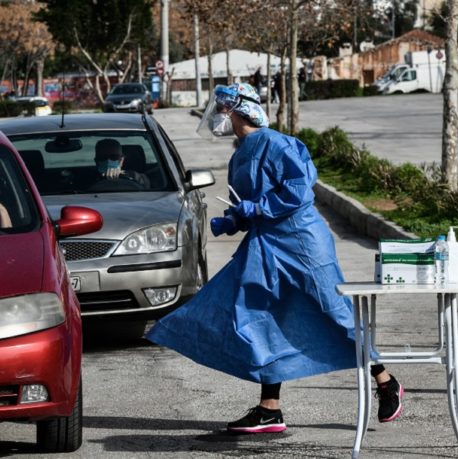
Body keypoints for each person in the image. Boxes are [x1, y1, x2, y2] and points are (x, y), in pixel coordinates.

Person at [147, 83, 403, 434]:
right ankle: (270, 408)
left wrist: (257, 208)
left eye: (224, 109)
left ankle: (386, 380)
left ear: (240, 110)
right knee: (258, 316)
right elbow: (249, 198)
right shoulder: (240, 152)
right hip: (266, 244)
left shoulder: (278, 144)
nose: (220, 116)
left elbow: (298, 190)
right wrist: (237, 219)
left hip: (301, 243)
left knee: (335, 312)